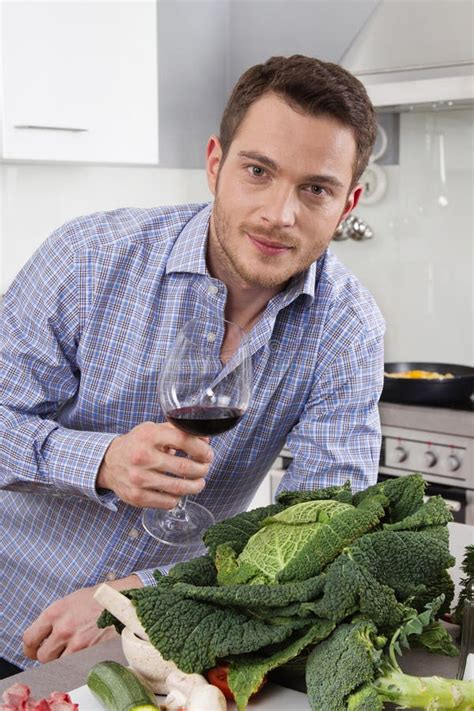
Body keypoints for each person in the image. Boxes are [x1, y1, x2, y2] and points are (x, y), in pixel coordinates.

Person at [0, 54, 384, 675]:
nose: (279, 214)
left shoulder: (347, 329)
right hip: (8, 613)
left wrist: (143, 596)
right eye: (258, 171)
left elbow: (319, 527)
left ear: (347, 204)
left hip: (156, 650)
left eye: (315, 189)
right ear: (215, 164)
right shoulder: (88, 259)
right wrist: (99, 461)